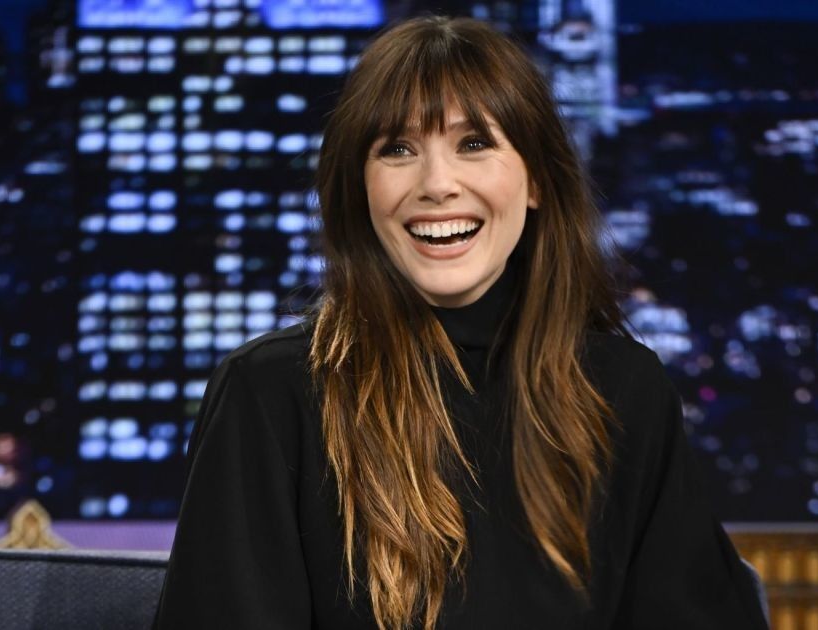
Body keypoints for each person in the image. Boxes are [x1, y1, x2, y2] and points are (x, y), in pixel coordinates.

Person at [153, 15, 767, 630]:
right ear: (359, 189)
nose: (437, 184)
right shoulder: (270, 393)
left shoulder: (624, 390)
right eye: (397, 149)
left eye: (474, 144)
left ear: (536, 179)